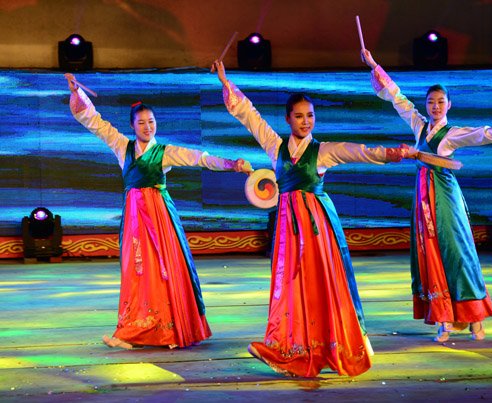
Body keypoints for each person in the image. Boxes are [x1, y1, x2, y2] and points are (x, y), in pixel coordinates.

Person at [212, 60, 417, 377]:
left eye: (310, 115)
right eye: (299, 116)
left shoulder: (322, 151)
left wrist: (397, 153)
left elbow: (360, 151)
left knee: (318, 283)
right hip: (287, 229)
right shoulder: (276, 146)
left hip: (315, 229)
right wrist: (225, 82)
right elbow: (250, 117)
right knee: (288, 284)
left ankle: (323, 346)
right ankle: (288, 344)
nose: (305, 121)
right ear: (287, 119)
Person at [65, 73, 252, 350]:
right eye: (141, 122)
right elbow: (95, 122)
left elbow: (198, 158)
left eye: (151, 121)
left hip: (159, 218)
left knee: (165, 269)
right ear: (132, 126)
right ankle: (131, 329)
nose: (147, 127)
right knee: (136, 271)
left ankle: (171, 329)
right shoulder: (122, 146)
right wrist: (76, 93)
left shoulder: (164, 152)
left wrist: (231, 164)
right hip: (134, 219)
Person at [361, 49, 492, 343]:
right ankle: (444, 320)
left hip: (445, 197)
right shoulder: (419, 125)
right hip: (423, 197)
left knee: (457, 251)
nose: (435, 106)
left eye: (441, 101)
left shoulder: (453, 133)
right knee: (431, 254)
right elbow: (397, 98)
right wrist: (374, 64)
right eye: (431, 101)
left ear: (449, 105)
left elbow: (485, 133)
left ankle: (475, 317)